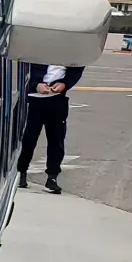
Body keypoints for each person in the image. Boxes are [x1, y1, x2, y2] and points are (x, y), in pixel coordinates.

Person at [17, 61, 83, 194]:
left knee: (56, 140)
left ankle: (52, 177)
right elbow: (20, 69)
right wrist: (35, 85)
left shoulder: (70, 49)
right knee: (28, 138)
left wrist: (65, 83)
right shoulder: (39, 47)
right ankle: (21, 172)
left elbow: (78, 67)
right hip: (33, 99)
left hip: (56, 99)